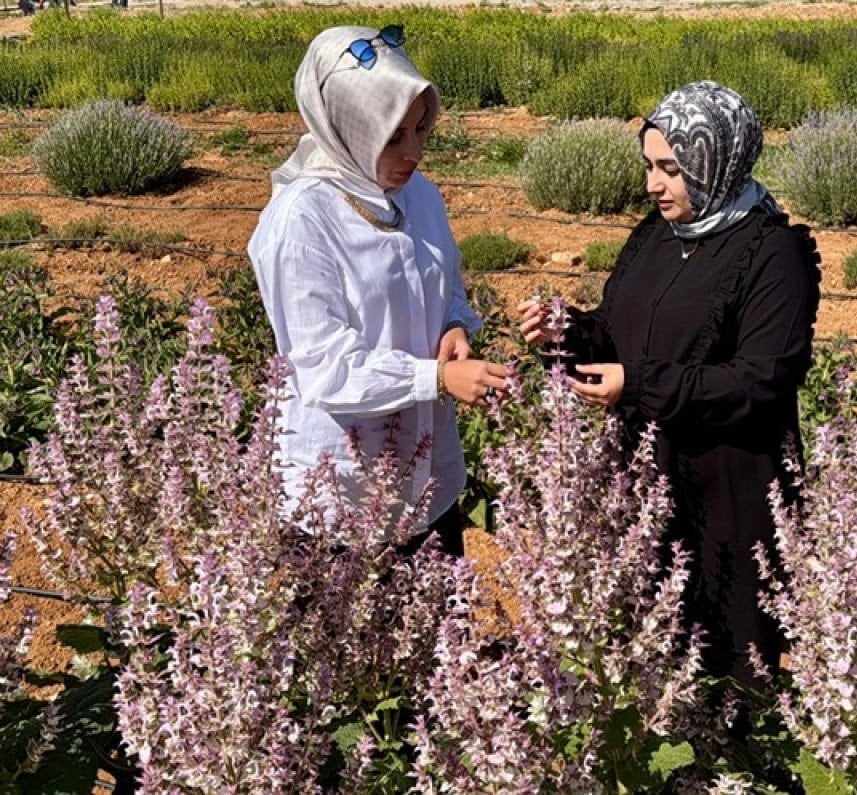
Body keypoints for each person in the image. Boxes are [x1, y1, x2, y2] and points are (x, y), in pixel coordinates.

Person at [519, 81, 821, 684]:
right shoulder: (657, 236)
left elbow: (759, 381)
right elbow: (617, 331)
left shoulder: (773, 255)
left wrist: (638, 385)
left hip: (729, 493)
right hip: (644, 480)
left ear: (717, 162)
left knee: (725, 665)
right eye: (649, 166)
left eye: (672, 170)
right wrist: (568, 330)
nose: (653, 185)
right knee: (644, 649)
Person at [249, 24, 509, 555]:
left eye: (420, 129)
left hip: (426, 478)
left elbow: (445, 282)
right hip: (339, 492)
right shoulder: (302, 221)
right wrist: (437, 377)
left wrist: (453, 325)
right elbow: (323, 365)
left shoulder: (418, 195)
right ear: (347, 127)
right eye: (393, 136)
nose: (413, 152)